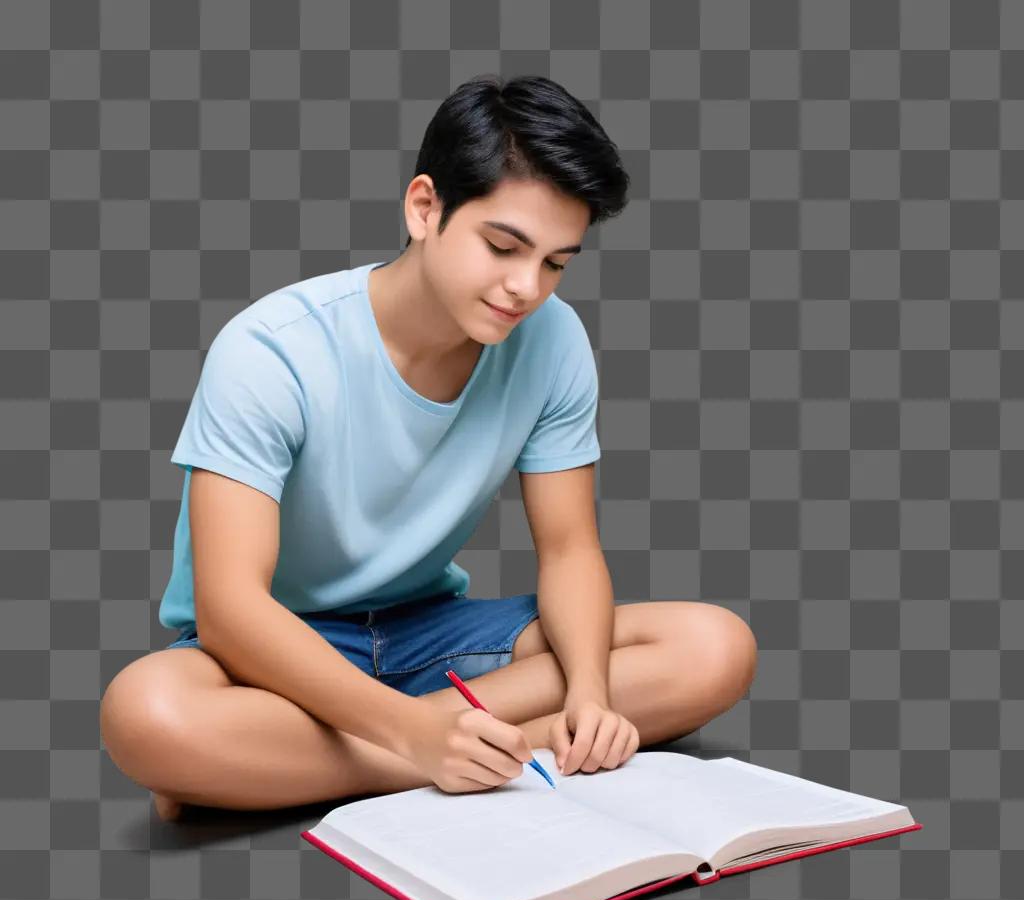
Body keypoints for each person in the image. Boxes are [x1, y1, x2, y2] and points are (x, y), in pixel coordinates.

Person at [99, 74, 758, 821]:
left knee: (713, 646)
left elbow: (571, 550)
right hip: (271, 657)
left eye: (555, 263)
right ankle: (470, 749)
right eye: (503, 247)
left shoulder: (553, 342)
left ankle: (308, 765)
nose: (525, 288)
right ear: (424, 208)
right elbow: (229, 609)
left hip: (428, 634)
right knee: (148, 712)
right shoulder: (270, 350)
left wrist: (588, 697)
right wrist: (414, 734)